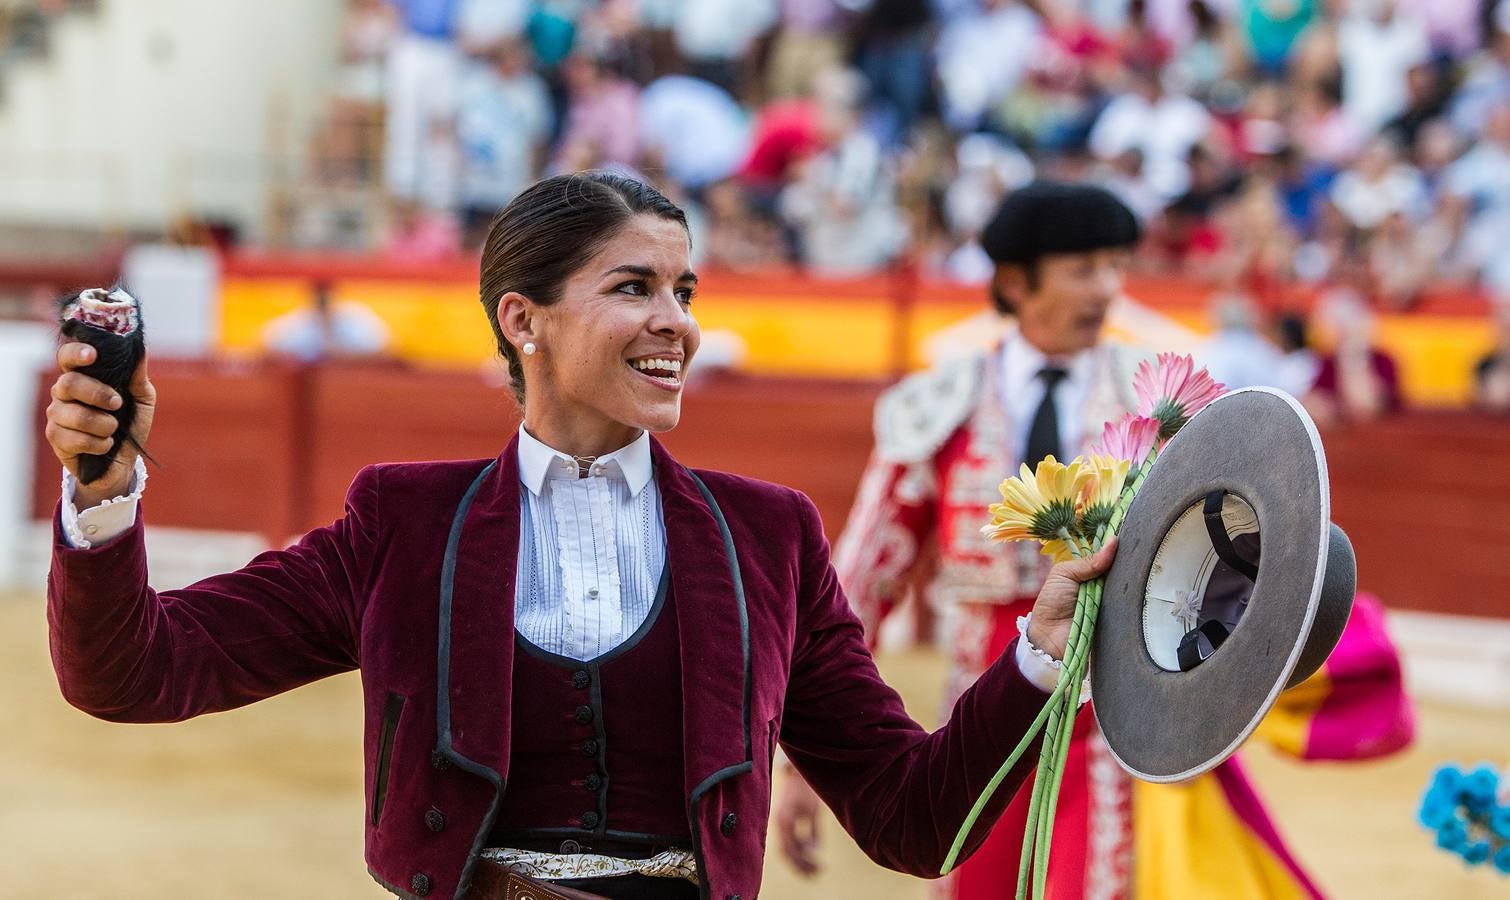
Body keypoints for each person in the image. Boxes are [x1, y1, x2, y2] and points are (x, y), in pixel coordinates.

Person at [43, 173, 1114, 900]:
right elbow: (136, 672)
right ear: (524, 321)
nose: (677, 322)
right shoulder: (402, 523)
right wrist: (106, 490)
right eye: (633, 287)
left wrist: (1037, 652)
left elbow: (911, 818)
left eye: (683, 290)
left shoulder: (769, 537)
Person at [775, 181, 1413, 899]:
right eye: (1082, 269)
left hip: (1121, 727)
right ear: (1015, 282)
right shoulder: (940, 404)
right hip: (983, 731)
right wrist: (804, 766)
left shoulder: (1160, 400)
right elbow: (858, 588)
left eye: (1115, 266)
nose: (1105, 289)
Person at [260, 281, 394, 364]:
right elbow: (267, 349)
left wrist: (343, 357)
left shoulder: (356, 318)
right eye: (320, 301)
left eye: (326, 301)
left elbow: (385, 351)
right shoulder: (297, 322)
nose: (323, 307)